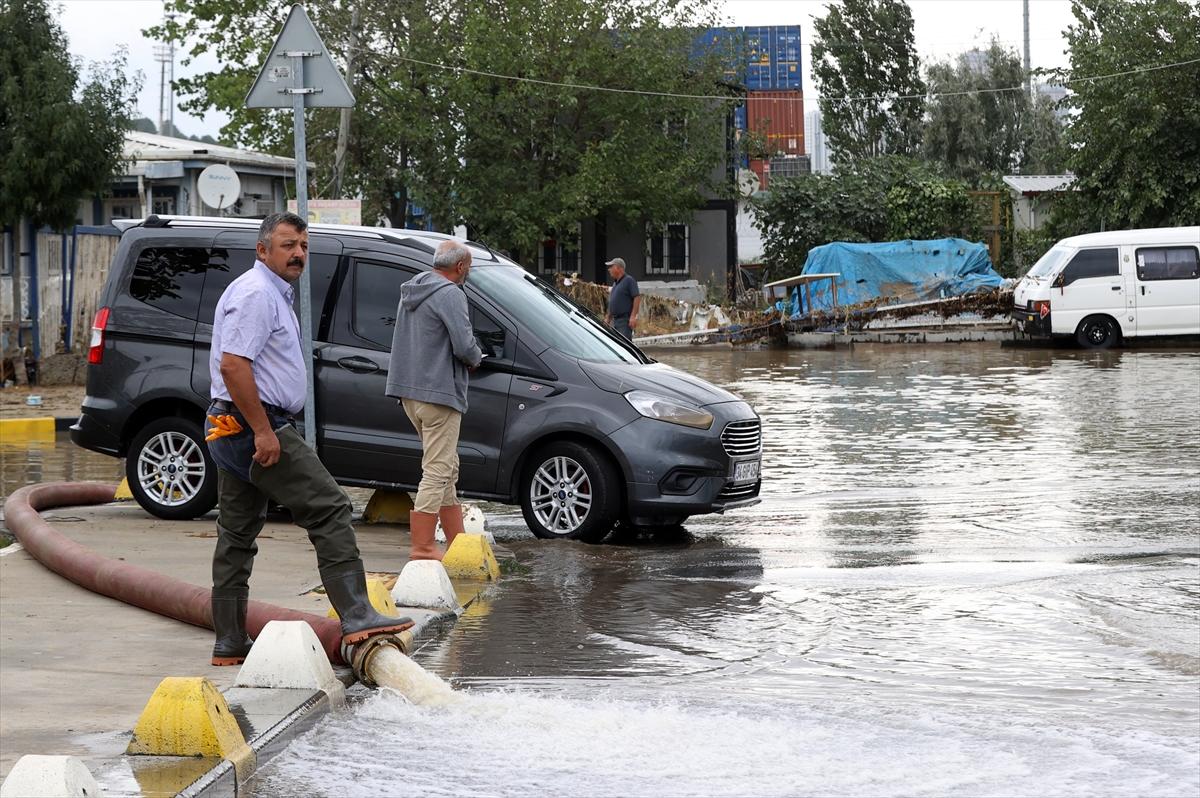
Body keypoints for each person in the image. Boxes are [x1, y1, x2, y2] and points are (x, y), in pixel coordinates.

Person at [204, 212, 411, 666]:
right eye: (287, 245)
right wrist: (264, 431)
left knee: (237, 534)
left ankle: (230, 641)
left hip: (237, 426)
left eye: (302, 244)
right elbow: (234, 365)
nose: (298, 253)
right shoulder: (258, 293)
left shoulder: (271, 292)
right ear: (263, 250)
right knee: (330, 507)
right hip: (252, 426)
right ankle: (357, 614)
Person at [385, 240, 483, 561]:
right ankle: (423, 548)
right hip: (440, 394)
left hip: (410, 392)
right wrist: (476, 356)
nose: (467, 273)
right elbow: (464, 346)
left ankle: (456, 542)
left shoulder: (412, 290)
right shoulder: (451, 294)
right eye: (468, 267)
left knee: (447, 466)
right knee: (437, 469)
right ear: (459, 268)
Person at [603, 257, 641, 340]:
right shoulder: (615, 284)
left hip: (624, 321)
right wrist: (608, 318)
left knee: (624, 344)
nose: (609, 270)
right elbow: (612, 302)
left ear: (618, 268)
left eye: (611, 267)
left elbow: (637, 297)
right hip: (615, 321)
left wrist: (633, 316)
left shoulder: (629, 280)